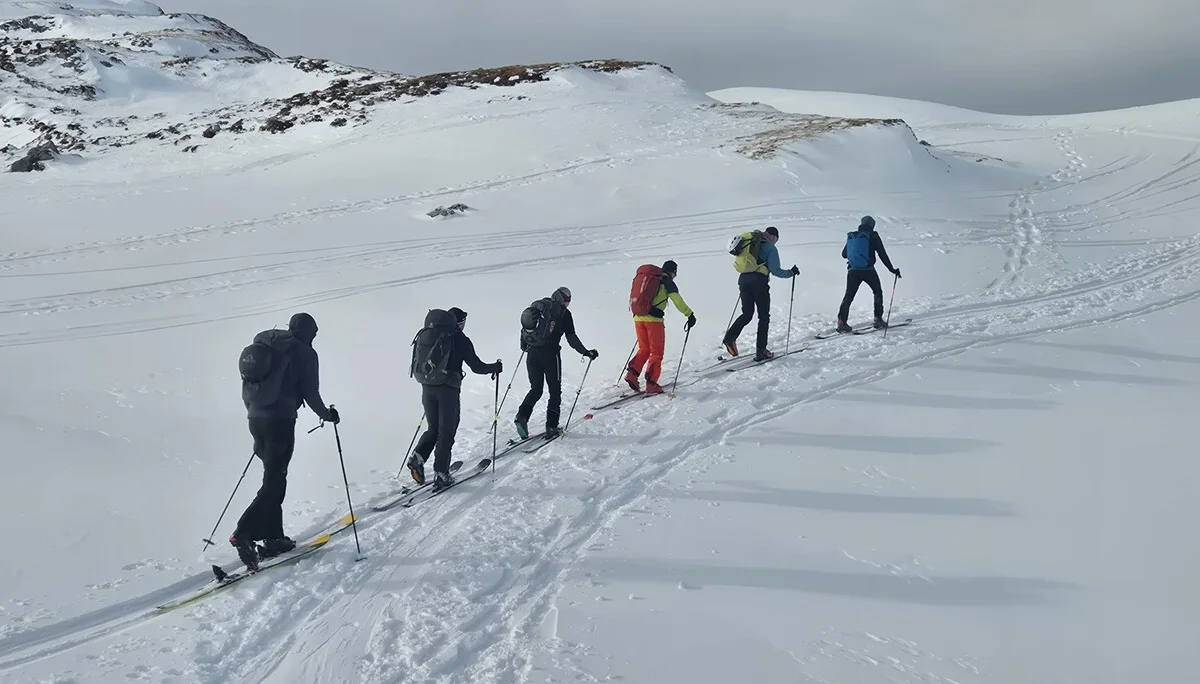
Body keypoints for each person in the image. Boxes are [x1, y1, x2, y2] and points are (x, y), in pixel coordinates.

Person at [231, 312, 339, 572]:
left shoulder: (271, 346)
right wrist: (328, 415)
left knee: (274, 476)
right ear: (309, 332)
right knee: (274, 480)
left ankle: (273, 538)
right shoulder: (304, 353)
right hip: (279, 421)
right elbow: (310, 393)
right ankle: (243, 533)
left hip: (255, 419)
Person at [407, 307, 502, 490]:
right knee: (447, 431)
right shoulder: (459, 338)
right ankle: (441, 473)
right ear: (460, 322)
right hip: (448, 390)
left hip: (427, 387)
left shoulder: (430, 335)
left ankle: (417, 458)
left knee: (433, 428)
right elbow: (476, 366)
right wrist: (495, 367)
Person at [514, 287, 598, 440]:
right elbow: (571, 338)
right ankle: (551, 427)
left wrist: (524, 344)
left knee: (536, 389)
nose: (568, 303)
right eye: (567, 300)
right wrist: (586, 352)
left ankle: (522, 416)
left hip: (532, 353)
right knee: (554, 390)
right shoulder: (563, 314)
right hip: (551, 355)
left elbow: (524, 329)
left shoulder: (538, 308)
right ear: (562, 299)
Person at [722, 226, 799, 361]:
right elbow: (776, 271)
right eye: (775, 240)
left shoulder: (749, 242)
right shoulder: (770, 248)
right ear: (774, 237)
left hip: (743, 279)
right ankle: (761, 351)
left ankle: (729, 338)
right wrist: (791, 272)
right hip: (759, 281)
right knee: (763, 316)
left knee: (747, 314)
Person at [625, 260, 696, 394]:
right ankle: (651, 383)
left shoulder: (651, 279)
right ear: (673, 272)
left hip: (638, 317)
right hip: (654, 321)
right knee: (657, 352)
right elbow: (678, 301)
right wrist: (689, 314)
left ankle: (632, 375)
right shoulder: (667, 282)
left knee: (644, 349)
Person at [836, 215, 901, 332]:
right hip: (868, 270)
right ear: (872, 225)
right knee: (877, 291)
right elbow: (882, 254)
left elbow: (844, 254)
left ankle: (842, 322)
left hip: (852, 271)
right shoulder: (873, 236)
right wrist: (892, 269)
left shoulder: (854, 236)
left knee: (849, 296)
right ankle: (878, 319)